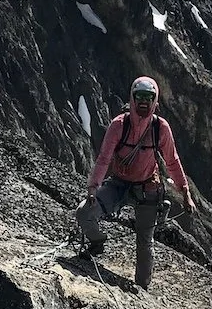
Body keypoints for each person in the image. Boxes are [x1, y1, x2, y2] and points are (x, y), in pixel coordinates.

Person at [77, 75, 196, 287]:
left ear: (155, 102)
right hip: (119, 183)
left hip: (147, 187)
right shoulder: (118, 126)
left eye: (148, 97)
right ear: (132, 98)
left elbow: (172, 161)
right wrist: (93, 188)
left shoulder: (161, 128)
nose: (143, 101)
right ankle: (98, 242)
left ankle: (142, 289)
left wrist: (185, 193)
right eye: (139, 96)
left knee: (144, 244)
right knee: (84, 213)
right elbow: (104, 159)